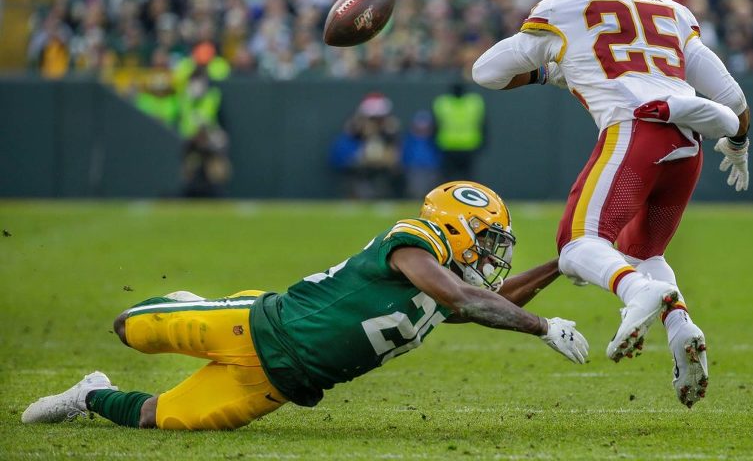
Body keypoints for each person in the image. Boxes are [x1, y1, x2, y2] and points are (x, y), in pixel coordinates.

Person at [21, 181, 588, 430]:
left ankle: (90, 393)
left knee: (162, 418)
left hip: (282, 383)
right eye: (486, 240)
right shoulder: (415, 244)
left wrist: (559, 266)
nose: (492, 256)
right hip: (260, 327)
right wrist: (542, 327)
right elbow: (464, 296)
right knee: (131, 328)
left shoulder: (449, 288)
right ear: (455, 228)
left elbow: (486, 301)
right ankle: (192, 305)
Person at [472, 0, 751, 409]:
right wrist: (739, 146)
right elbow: (732, 99)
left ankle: (635, 292)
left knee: (577, 244)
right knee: (644, 252)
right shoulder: (671, 12)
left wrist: (548, 67)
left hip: (635, 131)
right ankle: (682, 326)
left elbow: (486, 71)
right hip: (688, 144)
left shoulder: (562, 9)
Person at [432, 82, 487, 182]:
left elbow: (435, 126)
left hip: (452, 145)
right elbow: (483, 125)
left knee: (451, 178)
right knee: (465, 178)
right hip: (465, 145)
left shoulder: (442, 103)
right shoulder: (475, 103)